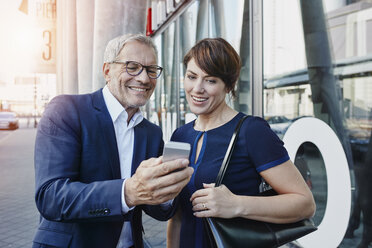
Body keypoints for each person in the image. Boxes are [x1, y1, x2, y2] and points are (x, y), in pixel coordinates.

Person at [33, 33, 193, 248]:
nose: (144, 79)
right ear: (107, 71)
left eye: (151, 70)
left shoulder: (151, 133)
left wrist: (167, 191)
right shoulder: (67, 110)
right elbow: (51, 197)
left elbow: (156, 209)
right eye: (132, 67)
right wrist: (128, 192)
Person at [166, 38, 316, 248]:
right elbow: (178, 214)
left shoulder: (252, 131)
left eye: (210, 80)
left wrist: (236, 204)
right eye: (191, 77)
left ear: (228, 85)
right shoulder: (179, 136)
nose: (197, 88)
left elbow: (305, 204)